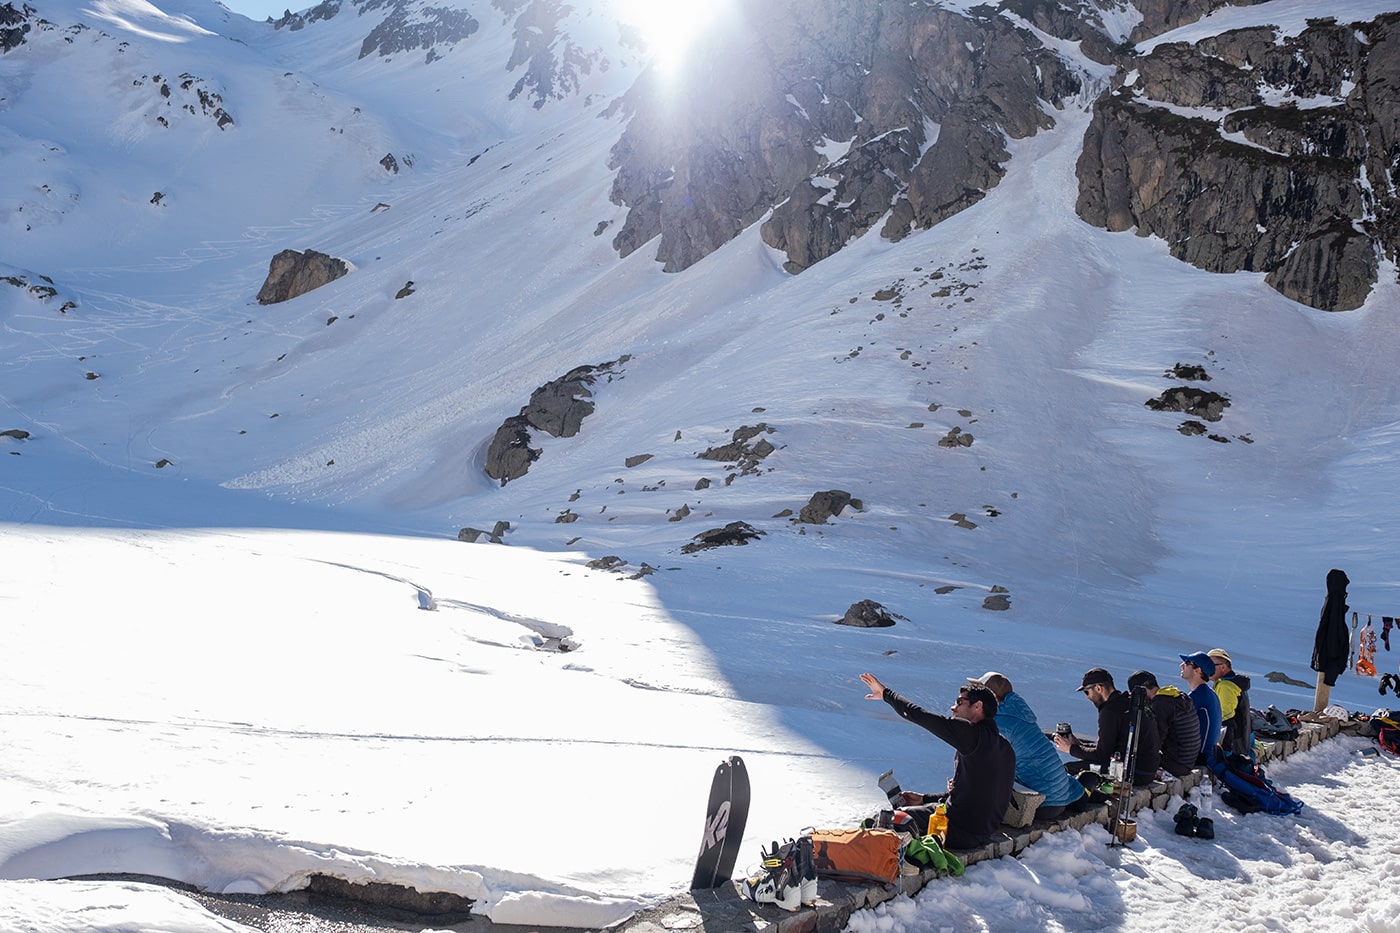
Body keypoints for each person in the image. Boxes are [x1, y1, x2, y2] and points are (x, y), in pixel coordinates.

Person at [859, 672, 1015, 850]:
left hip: (959, 830)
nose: (953, 708)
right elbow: (974, 796)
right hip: (979, 832)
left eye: (959, 702)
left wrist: (887, 694)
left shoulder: (972, 734)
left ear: (978, 706)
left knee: (886, 819)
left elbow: (920, 716)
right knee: (905, 814)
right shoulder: (1004, 746)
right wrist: (924, 799)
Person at [966, 671, 1088, 819]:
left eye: (979, 691)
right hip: (1062, 795)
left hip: (1043, 804)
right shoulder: (1019, 714)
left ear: (991, 696)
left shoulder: (999, 724)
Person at [1052, 668, 1161, 786]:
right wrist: (1079, 745)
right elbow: (1108, 748)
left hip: (1134, 773)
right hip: (1146, 771)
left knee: (1068, 769)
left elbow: (1101, 755)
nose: (1087, 697)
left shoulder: (1110, 711)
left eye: (1087, 692)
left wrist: (1070, 749)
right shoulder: (1125, 703)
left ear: (1099, 688)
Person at [1126, 670, 1201, 777]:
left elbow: (1155, 742)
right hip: (1189, 761)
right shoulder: (1177, 696)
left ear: (1142, 691)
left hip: (1177, 765)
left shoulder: (1161, 705)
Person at [1312, 568, 1351, 711]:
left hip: (1328, 654)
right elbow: (1332, 632)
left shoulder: (1332, 601)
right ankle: (1319, 710)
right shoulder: (1334, 602)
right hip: (1330, 655)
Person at [1208, 648, 1253, 761]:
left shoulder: (1226, 686)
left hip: (1233, 745)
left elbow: (1225, 716)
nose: (1206, 668)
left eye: (1210, 665)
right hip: (1241, 741)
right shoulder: (1233, 683)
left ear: (1223, 667)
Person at [1180, 651, 1222, 763]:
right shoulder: (1208, 693)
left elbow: (1176, 721)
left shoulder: (1199, 696)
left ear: (1197, 671)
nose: (1182, 665)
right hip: (1208, 753)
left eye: (1187, 663)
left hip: (1200, 755)